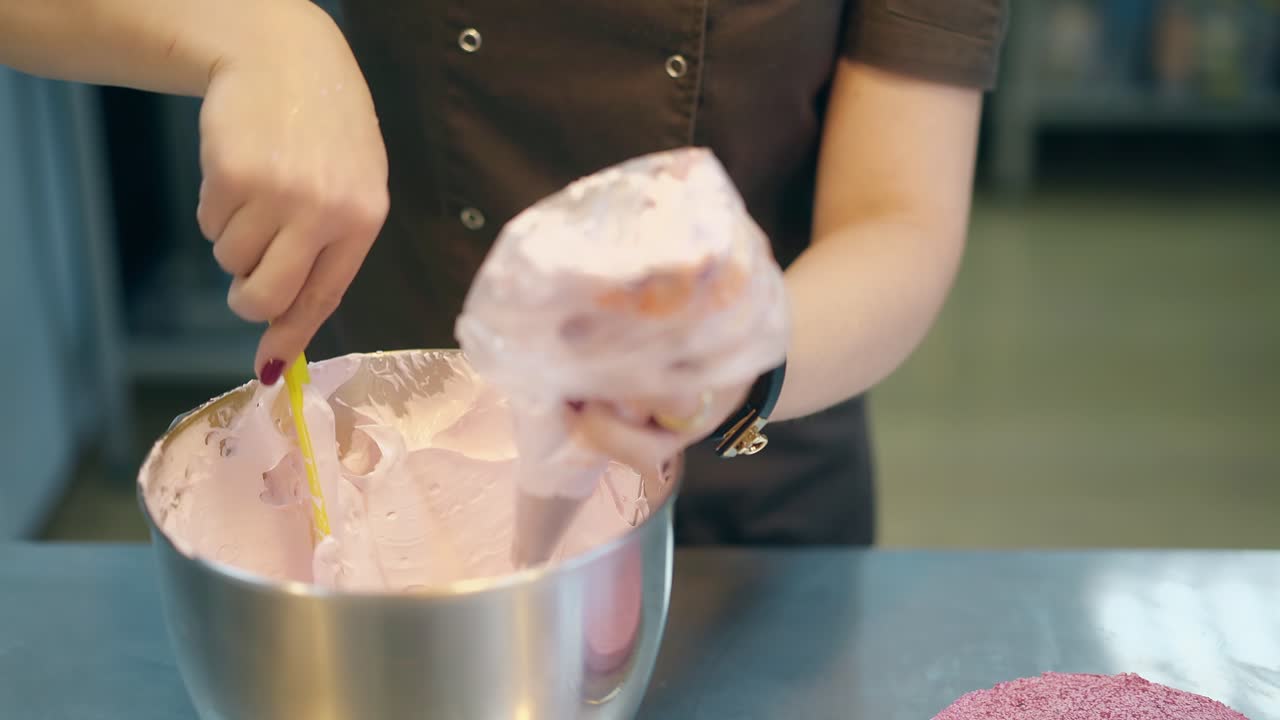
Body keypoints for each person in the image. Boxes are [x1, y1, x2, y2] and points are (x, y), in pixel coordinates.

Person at [2, 0, 1008, 546]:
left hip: (741, 495)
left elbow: (897, 219)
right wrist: (258, 32)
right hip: (381, 470)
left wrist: (729, 362)